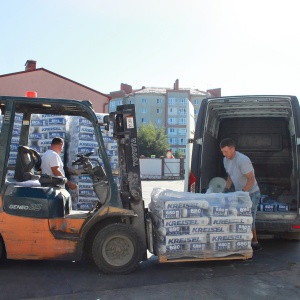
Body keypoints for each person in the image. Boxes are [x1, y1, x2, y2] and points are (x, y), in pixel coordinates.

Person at [220, 138, 262, 251]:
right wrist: (226, 189)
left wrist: (243, 193)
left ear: (233, 149)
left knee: (249, 218)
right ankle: (243, 242)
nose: (224, 154)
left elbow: (251, 179)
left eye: (226, 151)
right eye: (222, 152)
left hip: (251, 193)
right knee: (241, 218)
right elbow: (230, 176)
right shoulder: (226, 160)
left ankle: (255, 243)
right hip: (240, 192)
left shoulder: (242, 160)